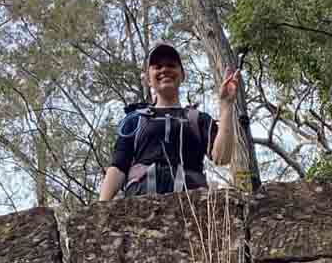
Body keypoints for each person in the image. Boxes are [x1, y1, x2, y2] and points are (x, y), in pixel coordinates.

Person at [99, 42, 241, 200]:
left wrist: (226, 105)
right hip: (139, 204)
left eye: (171, 65)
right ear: (148, 79)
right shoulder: (134, 120)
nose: (164, 70)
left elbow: (222, 158)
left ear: (182, 75)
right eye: (157, 67)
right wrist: (100, 211)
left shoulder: (198, 119)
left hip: (191, 202)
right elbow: (118, 167)